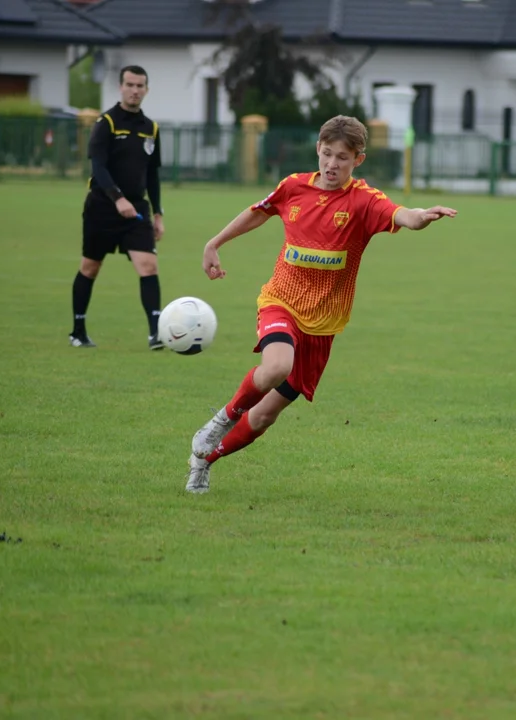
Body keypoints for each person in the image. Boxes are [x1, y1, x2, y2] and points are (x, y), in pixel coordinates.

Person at [183, 115, 457, 493]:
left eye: (342, 158)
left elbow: (400, 214)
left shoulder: (363, 201)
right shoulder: (293, 187)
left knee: (264, 416)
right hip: (281, 299)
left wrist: (420, 217)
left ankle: (204, 461)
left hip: (324, 324)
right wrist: (214, 243)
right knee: (277, 366)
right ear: (317, 149)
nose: (332, 164)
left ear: (358, 160)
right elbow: (258, 211)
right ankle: (222, 419)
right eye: (327, 154)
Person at [71, 65, 166, 350]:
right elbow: (97, 166)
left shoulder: (151, 128)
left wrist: (158, 212)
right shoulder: (107, 123)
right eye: (130, 84)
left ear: (146, 90)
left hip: (136, 210)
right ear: (120, 87)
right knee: (90, 267)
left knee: (148, 265)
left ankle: (155, 334)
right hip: (102, 207)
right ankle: (78, 331)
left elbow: (152, 174)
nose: (135, 90)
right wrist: (117, 198)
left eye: (140, 86)